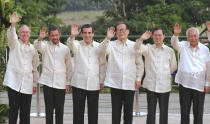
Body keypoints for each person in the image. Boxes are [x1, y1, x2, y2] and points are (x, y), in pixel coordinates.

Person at [103, 23, 144, 124]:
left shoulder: (134, 45)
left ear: (128, 31)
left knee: (128, 113)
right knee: (115, 112)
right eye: (119, 30)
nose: (121, 32)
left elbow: (140, 64)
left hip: (129, 83)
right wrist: (107, 38)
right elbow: (104, 51)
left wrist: (138, 78)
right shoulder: (111, 45)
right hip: (115, 83)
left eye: (123, 30)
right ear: (116, 32)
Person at [3, 12, 39, 124]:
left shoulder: (33, 49)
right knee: (13, 111)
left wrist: (34, 84)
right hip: (13, 83)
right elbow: (11, 37)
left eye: (27, 32)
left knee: (25, 112)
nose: (25, 34)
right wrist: (13, 25)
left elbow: (35, 67)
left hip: (27, 84)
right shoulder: (14, 44)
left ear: (30, 34)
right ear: (19, 34)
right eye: (22, 32)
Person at [135, 27, 177, 124]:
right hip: (150, 85)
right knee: (151, 112)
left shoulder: (169, 51)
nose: (157, 37)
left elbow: (173, 67)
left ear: (163, 36)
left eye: (159, 35)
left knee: (164, 112)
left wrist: (163, 73)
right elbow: (137, 49)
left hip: (164, 85)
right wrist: (141, 39)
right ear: (152, 36)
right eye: (155, 35)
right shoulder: (148, 48)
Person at [67, 24, 106, 124]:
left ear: (93, 34)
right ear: (82, 34)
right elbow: (70, 44)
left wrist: (101, 81)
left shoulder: (99, 47)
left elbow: (102, 65)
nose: (87, 35)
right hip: (78, 84)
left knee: (93, 114)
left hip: (94, 84)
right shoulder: (77, 45)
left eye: (89, 33)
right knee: (77, 113)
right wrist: (72, 36)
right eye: (84, 33)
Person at [171, 23, 210, 124]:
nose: (193, 38)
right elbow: (174, 44)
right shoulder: (183, 45)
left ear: (198, 36)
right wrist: (175, 34)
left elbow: (208, 68)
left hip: (199, 85)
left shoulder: (205, 49)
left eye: (195, 36)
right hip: (185, 84)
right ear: (187, 37)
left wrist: (207, 84)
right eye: (190, 36)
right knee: (184, 113)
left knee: (198, 113)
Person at [34, 26, 71, 124]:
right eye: (52, 35)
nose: (55, 37)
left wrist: (68, 83)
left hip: (61, 83)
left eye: (56, 35)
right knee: (48, 110)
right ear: (49, 36)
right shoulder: (45, 46)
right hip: (47, 83)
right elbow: (36, 45)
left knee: (60, 111)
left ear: (60, 35)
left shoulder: (65, 49)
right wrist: (40, 38)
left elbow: (68, 67)